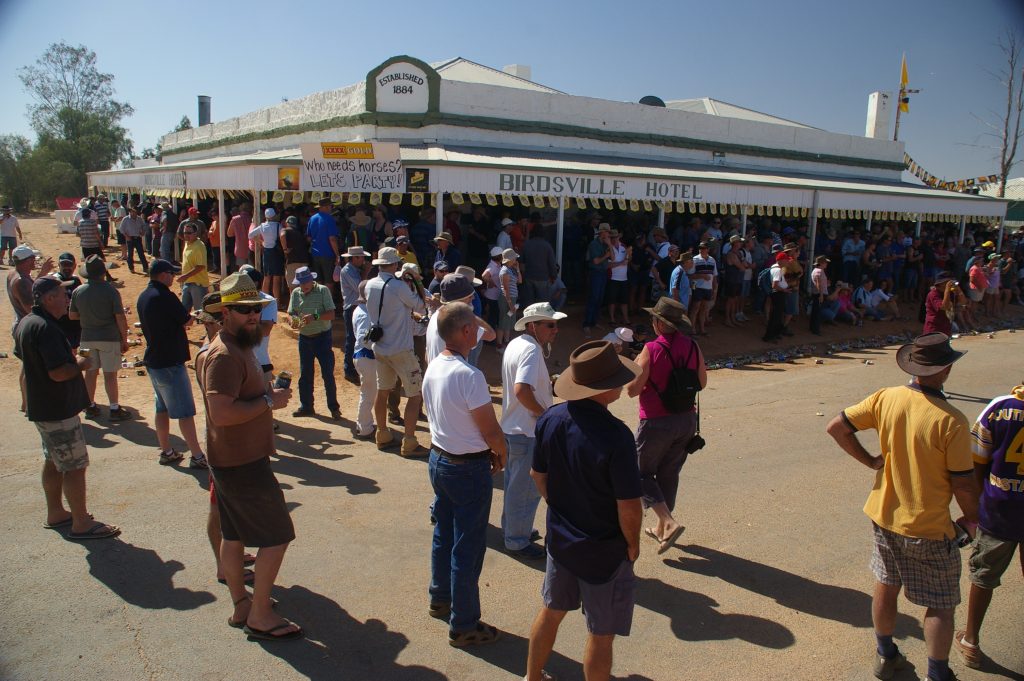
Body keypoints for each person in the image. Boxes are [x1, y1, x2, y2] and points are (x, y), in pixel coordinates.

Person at [825, 333, 979, 681]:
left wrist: (871, 462)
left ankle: (885, 654)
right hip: (929, 524)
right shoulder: (951, 420)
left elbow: (837, 427)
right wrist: (973, 517)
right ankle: (938, 674)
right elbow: (964, 483)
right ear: (946, 370)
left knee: (885, 583)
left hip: (884, 513)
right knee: (940, 602)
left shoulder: (886, 397)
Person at [526, 340, 643, 681]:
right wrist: (632, 543)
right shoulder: (616, 437)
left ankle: (532, 677)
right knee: (601, 633)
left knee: (551, 611)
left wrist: (559, 506)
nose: (621, 384)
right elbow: (629, 506)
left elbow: (538, 475)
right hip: (603, 550)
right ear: (602, 389)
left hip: (562, 541)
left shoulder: (551, 419)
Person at [195, 273, 302, 642]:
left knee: (235, 535)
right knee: (277, 535)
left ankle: (242, 603)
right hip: (241, 462)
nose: (253, 315)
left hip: (233, 459)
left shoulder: (235, 346)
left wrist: (266, 395)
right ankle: (259, 614)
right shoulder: (225, 355)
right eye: (243, 309)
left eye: (256, 307)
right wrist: (270, 401)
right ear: (224, 312)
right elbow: (222, 413)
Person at [422, 302, 508, 648]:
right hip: (467, 467)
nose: (478, 331)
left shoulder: (434, 367)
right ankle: (464, 624)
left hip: (439, 460)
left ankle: (440, 596)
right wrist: (501, 452)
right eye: (473, 326)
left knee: (444, 533)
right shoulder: (469, 375)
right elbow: (490, 429)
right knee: (467, 548)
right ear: (464, 332)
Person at [14, 276, 121, 540]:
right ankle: (81, 522)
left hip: (44, 408)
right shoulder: (46, 328)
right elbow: (58, 373)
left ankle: (56, 512)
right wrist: (81, 365)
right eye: (63, 295)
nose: (67, 299)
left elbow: (29, 367)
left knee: (54, 460)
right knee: (74, 466)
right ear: (49, 298)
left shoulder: (27, 323)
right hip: (58, 409)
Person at [626, 296, 705, 555]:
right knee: (669, 473)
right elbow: (701, 382)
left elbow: (632, 390)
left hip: (656, 420)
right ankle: (662, 527)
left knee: (640, 474)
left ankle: (668, 522)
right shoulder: (693, 346)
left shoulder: (651, 349)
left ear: (659, 323)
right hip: (686, 419)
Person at [954, 382, 1024, 670]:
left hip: (999, 511)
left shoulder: (1002, 408)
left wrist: (976, 508)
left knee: (984, 576)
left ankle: (970, 641)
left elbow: (976, 460)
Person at [500, 302, 565, 560]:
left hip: (514, 428)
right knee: (525, 490)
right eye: (550, 325)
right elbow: (521, 389)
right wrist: (545, 414)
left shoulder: (518, 345)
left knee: (515, 486)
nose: (555, 329)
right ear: (533, 326)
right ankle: (516, 539)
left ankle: (515, 529)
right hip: (526, 431)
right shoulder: (531, 351)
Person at [137, 259, 208, 469]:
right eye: (171, 273)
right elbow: (185, 319)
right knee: (184, 411)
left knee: (162, 408)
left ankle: (166, 450)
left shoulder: (144, 296)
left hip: (154, 359)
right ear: (162, 275)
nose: (174, 277)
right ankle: (197, 455)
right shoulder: (165, 296)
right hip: (170, 361)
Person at [366, 247, 428, 456]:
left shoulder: (370, 285)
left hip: (380, 346)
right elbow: (421, 306)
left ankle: (382, 434)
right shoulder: (399, 286)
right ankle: (409, 441)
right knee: (415, 394)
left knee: (383, 391)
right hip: (400, 348)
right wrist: (417, 280)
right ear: (395, 265)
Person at [69, 255, 131, 421]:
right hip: (108, 338)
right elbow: (120, 317)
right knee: (110, 375)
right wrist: (124, 339)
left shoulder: (78, 291)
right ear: (103, 272)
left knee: (90, 373)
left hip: (86, 338)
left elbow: (72, 315)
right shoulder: (111, 291)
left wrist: (87, 317)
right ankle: (114, 408)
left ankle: (90, 406)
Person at [287, 266, 340, 420]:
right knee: (305, 374)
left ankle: (333, 407)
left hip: (322, 337)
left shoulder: (323, 291)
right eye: (301, 283)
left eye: (305, 282)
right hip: (305, 338)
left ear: (311, 280)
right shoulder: (296, 294)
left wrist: (314, 317)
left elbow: (331, 314)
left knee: (327, 373)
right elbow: (291, 313)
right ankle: (307, 406)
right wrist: (292, 321)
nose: (303, 286)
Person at [237, 265, 278, 386]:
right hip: (237, 362)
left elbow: (265, 330)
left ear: (255, 283)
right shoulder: (233, 300)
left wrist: (240, 321)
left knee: (264, 403)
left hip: (260, 362)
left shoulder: (268, 301)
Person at [350, 280, 378, 440]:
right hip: (366, 357)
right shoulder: (365, 314)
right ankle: (365, 428)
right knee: (368, 394)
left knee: (368, 393)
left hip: (362, 357)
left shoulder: (360, 310)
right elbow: (364, 340)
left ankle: (364, 424)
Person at [339, 246, 368, 383]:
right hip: (351, 307)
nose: (363, 259)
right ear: (354, 258)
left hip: (355, 307)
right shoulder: (347, 270)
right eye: (361, 257)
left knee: (355, 337)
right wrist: (366, 273)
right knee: (352, 339)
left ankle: (352, 369)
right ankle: (349, 370)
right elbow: (360, 287)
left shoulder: (352, 269)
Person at [249, 207, 285, 302]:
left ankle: (264, 300)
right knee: (276, 278)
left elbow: (250, 235)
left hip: (266, 252)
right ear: (274, 216)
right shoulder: (278, 226)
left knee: (267, 277)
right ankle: (276, 302)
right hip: (276, 252)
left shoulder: (262, 226)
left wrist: (261, 242)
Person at [583, 224, 613, 336]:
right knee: (593, 298)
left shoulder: (604, 244)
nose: (609, 234)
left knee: (599, 298)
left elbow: (613, 257)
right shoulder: (594, 244)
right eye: (607, 232)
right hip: (595, 273)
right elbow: (596, 261)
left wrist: (609, 245)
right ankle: (586, 324)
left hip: (602, 273)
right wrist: (606, 255)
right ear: (602, 233)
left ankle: (593, 321)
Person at [521, 227, 557, 306]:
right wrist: (554, 276)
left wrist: (523, 276)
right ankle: (541, 318)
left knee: (529, 304)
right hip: (542, 278)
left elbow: (522, 263)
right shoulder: (547, 245)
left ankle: (530, 318)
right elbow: (552, 263)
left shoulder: (526, 244)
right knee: (543, 304)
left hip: (529, 277)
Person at [177, 224, 209, 312]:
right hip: (187, 283)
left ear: (195, 233)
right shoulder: (187, 243)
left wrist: (185, 276)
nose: (186, 235)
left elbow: (200, 267)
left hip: (198, 284)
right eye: (184, 233)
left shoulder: (199, 246)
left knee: (200, 313)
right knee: (183, 312)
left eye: (189, 233)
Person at [689, 241, 717, 336]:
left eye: (704, 248)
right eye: (700, 248)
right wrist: (701, 276)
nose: (702, 250)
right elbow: (690, 275)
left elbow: (714, 275)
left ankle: (702, 329)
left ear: (708, 249)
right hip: (698, 287)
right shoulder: (695, 259)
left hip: (708, 288)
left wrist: (714, 288)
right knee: (695, 308)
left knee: (704, 309)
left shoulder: (712, 260)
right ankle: (692, 329)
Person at [762, 251, 789, 342]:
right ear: (781, 260)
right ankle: (769, 336)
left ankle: (775, 334)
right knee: (775, 316)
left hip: (777, 294)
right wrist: (784, 290)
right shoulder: (777, 270)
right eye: (786, 260)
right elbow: (775, 285)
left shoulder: (775, 268)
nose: (787, 262)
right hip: (778, 294)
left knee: (777, 316)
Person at [280, 214, 309, 294]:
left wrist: (285, 249)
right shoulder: (299, 233)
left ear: (287, 223)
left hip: (292, 262)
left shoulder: (285, 230)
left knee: (292, 287)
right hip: (304, 261)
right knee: (304, 286)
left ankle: (294, 304)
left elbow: (282, 236)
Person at [606, 230, 630, 326]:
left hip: (624, 278)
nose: (614, 239)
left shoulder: (623, 247)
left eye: (615, 237)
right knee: (612, 300)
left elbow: (628, 260)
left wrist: (629, 256)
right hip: (613, 278)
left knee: (624, 300)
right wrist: (621, 263)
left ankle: (626, 319)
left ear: (618, 237)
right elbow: (608, 265)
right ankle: (612, 319)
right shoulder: (608, 249)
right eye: (612, 237)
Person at [119, 205, 149, 274]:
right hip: (130, 238)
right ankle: (131, 268)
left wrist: (143, 232)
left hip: (137, 238)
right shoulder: (126, 219)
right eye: (132, 211)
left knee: (141, 253)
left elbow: (144, 226)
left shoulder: (139, 219)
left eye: (135, 212)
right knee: (130, 254)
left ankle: (145, 268)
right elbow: (121, 229)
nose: (134, 213)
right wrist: (126, 236)